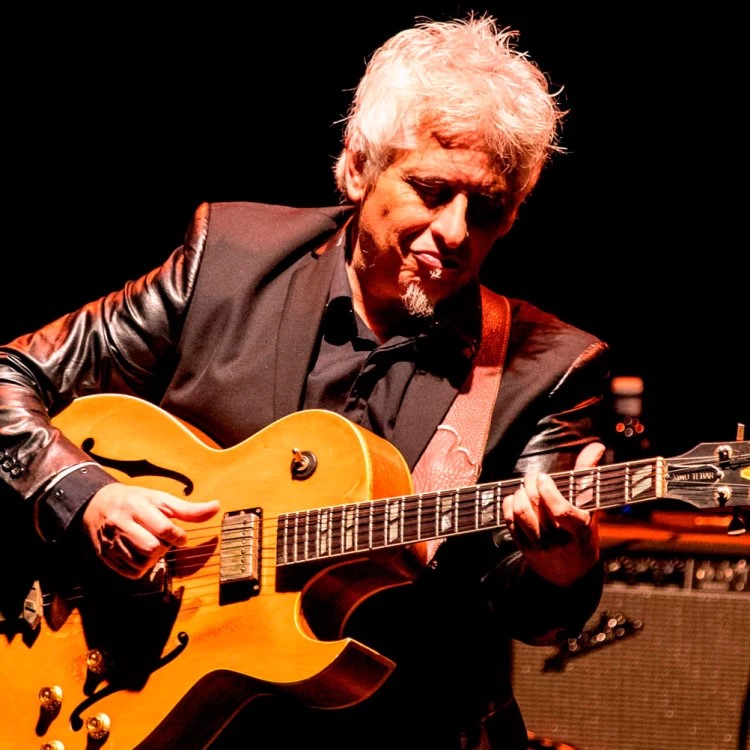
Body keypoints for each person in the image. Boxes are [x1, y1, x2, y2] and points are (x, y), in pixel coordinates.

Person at [0, 12, 610, 750]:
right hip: (148, 703)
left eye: (487, 209)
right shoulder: (228, 259)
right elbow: (10, 377)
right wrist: (89, 496)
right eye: (431, 190)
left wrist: (561, 571)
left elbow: (532, 613)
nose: (455, 232)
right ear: (357, 168)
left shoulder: (547, 366)